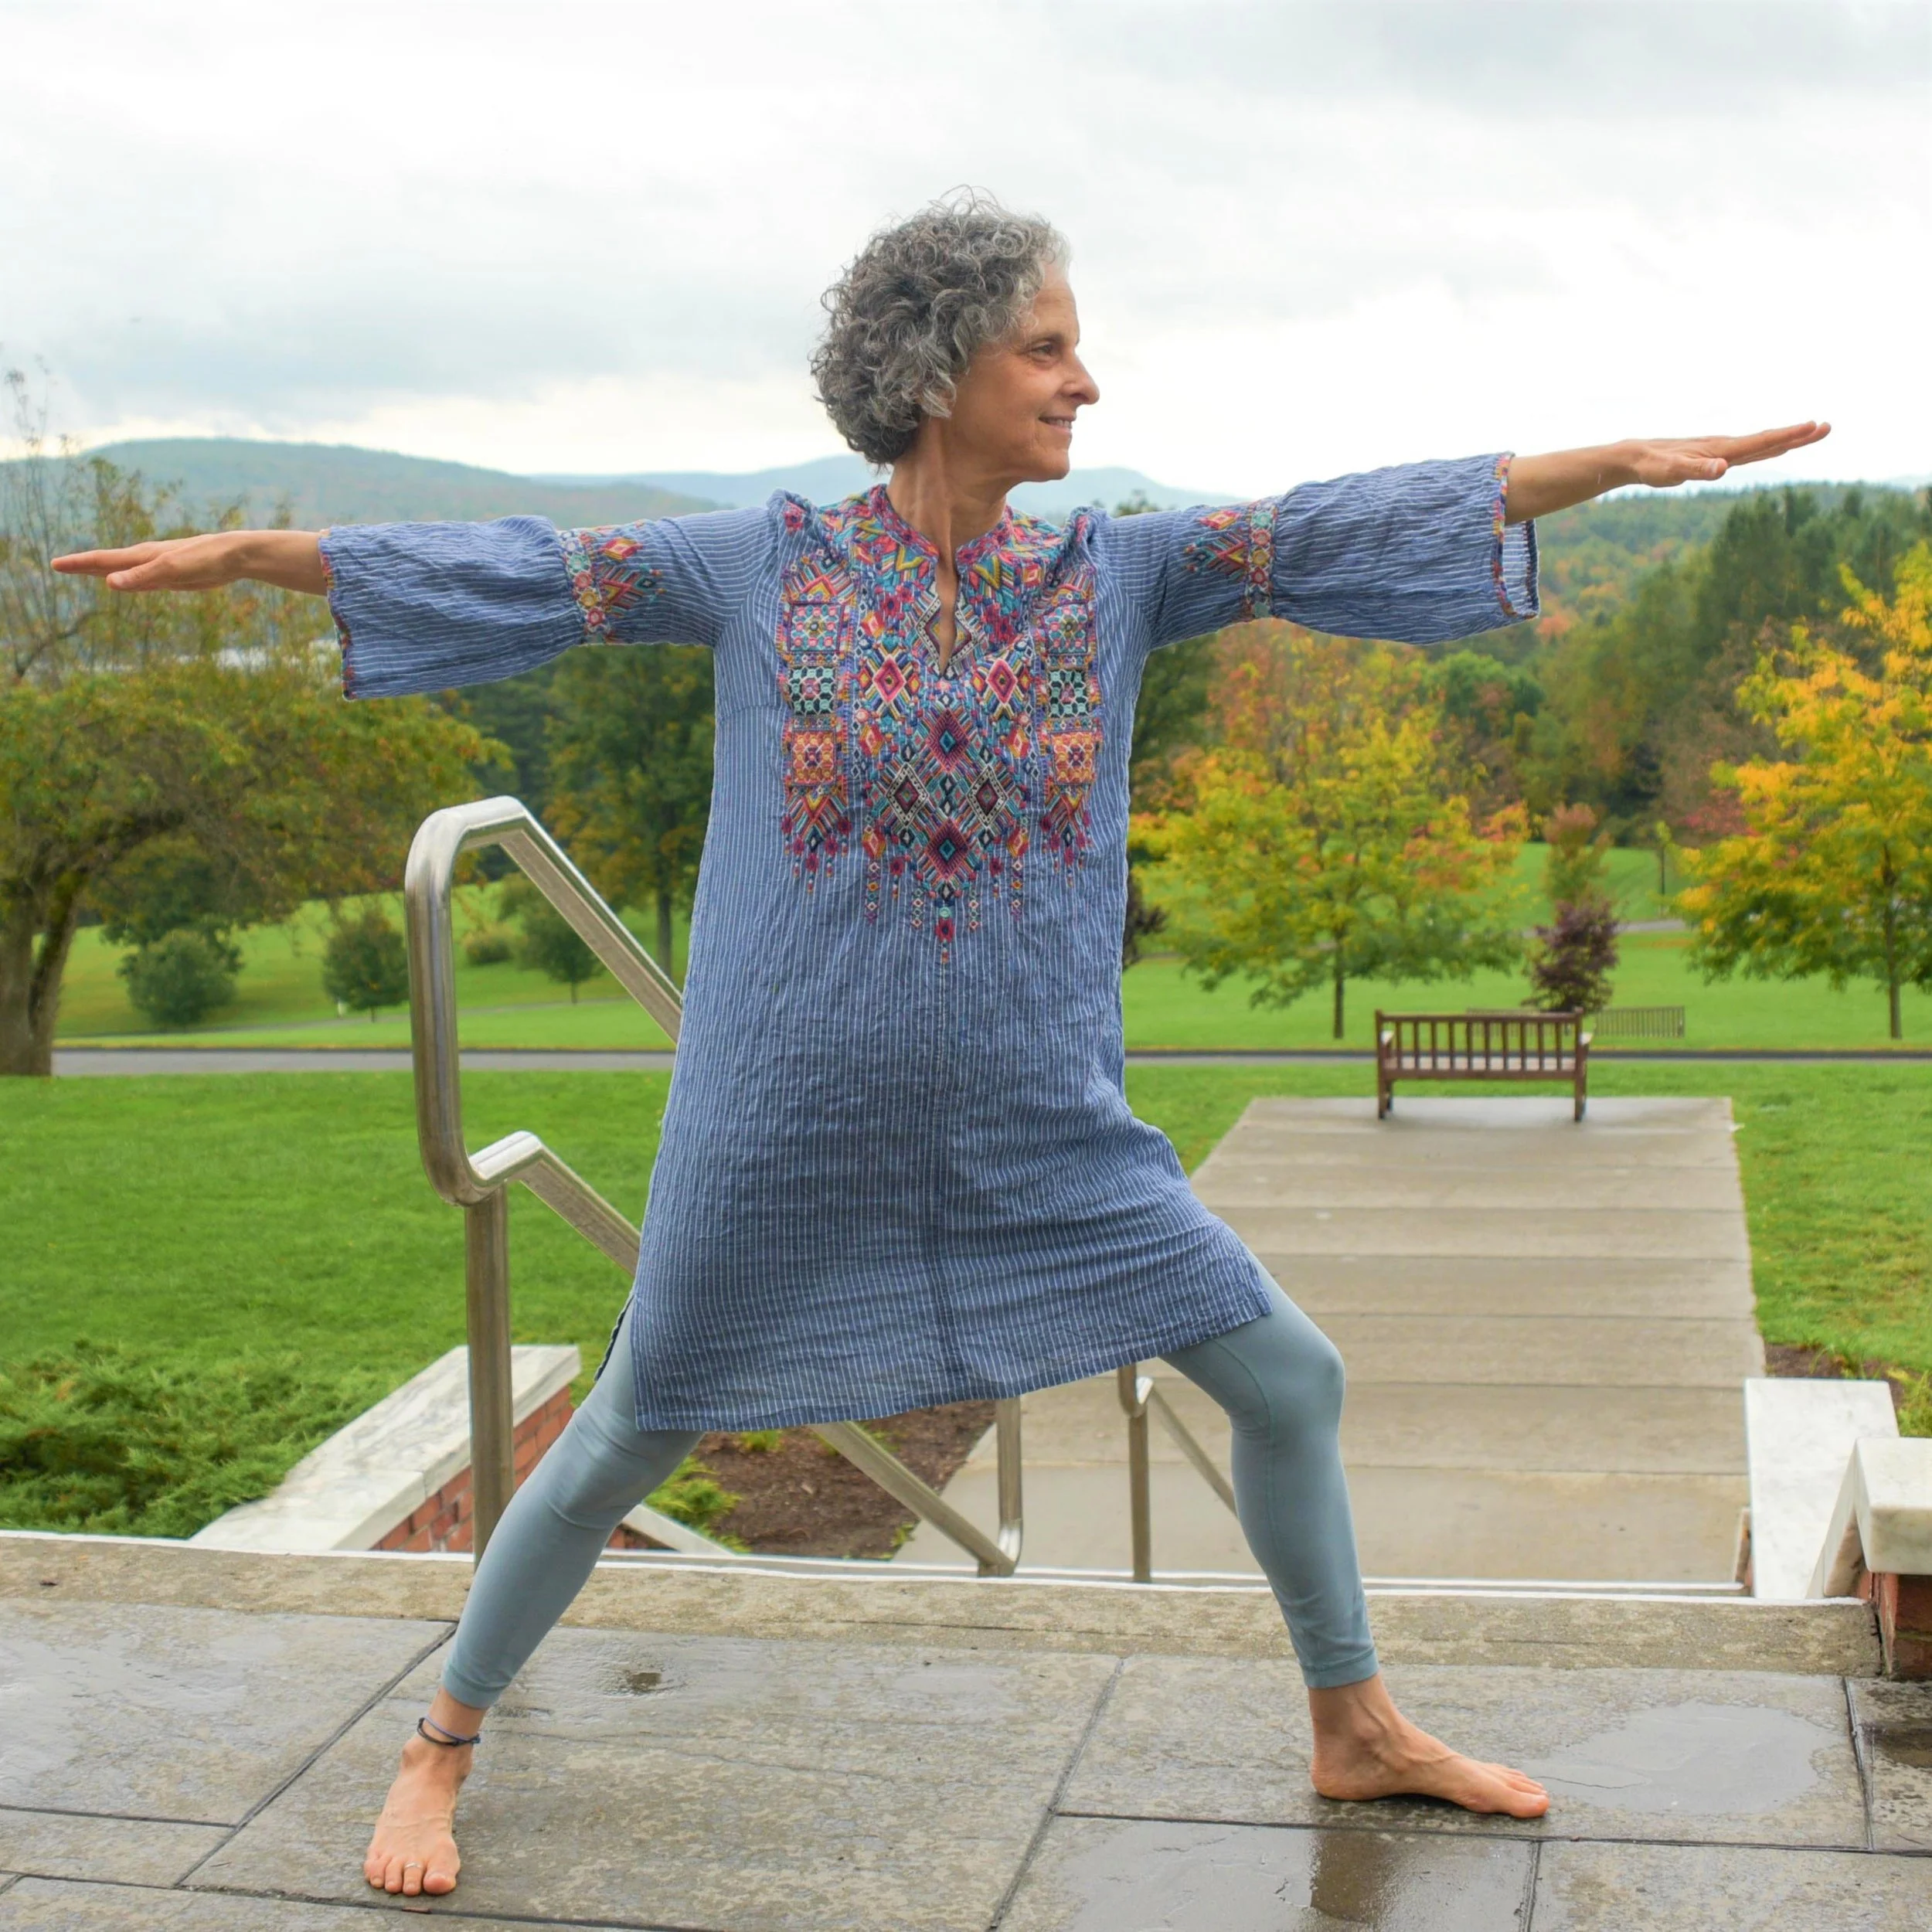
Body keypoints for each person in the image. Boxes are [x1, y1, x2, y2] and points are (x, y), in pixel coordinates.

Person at [58, 191, 1828, 1902]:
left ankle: (1351, 1719)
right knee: (625, 1431)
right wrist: (257, 556)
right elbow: (532, 571)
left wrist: (1593, 464)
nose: (1082, 382)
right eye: (1047, 347)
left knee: (1286, 1379)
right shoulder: (754, 563)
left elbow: (1319, 528)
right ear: (936, 368)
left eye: (1079, 348)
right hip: (778, 1121)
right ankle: (443, 1731)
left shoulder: (1119, 574)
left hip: (1038, 1121)